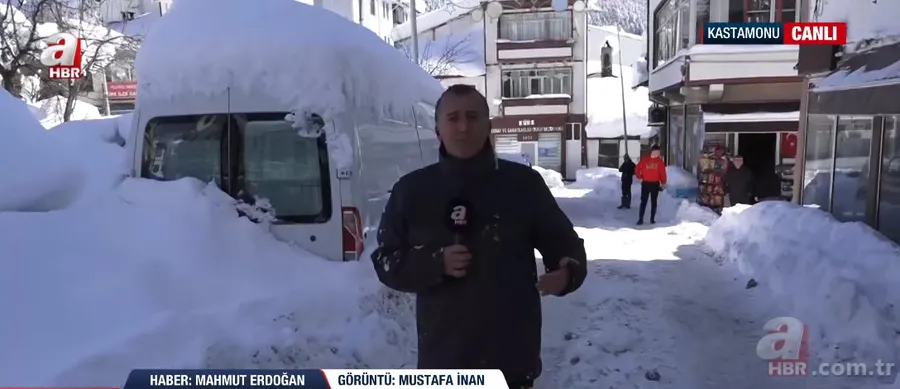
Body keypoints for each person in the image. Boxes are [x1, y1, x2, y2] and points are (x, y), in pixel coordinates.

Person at [370, 84, 587, 389]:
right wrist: (434, 263)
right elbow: (385, 260)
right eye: (453, 118)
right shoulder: (412, 191)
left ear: (489, 126)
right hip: (443, 364)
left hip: (510, 362)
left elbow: (566, 245)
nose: (463, 126)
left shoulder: (523, 186)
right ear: (437, 129)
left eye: (473, 117)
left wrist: (567, 273)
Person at [634, 145, 667, 225]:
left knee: (648, 202)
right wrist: (663, 183)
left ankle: (646, 219)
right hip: (650, 184)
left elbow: (637, 169)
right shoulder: (655, 161)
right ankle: (646, 219)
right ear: (656, 152)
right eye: (658, 152)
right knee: (648, 201)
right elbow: (662, 173)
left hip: (650, 183)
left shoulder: (650, 160)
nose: (658, 153)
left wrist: (640, 176)